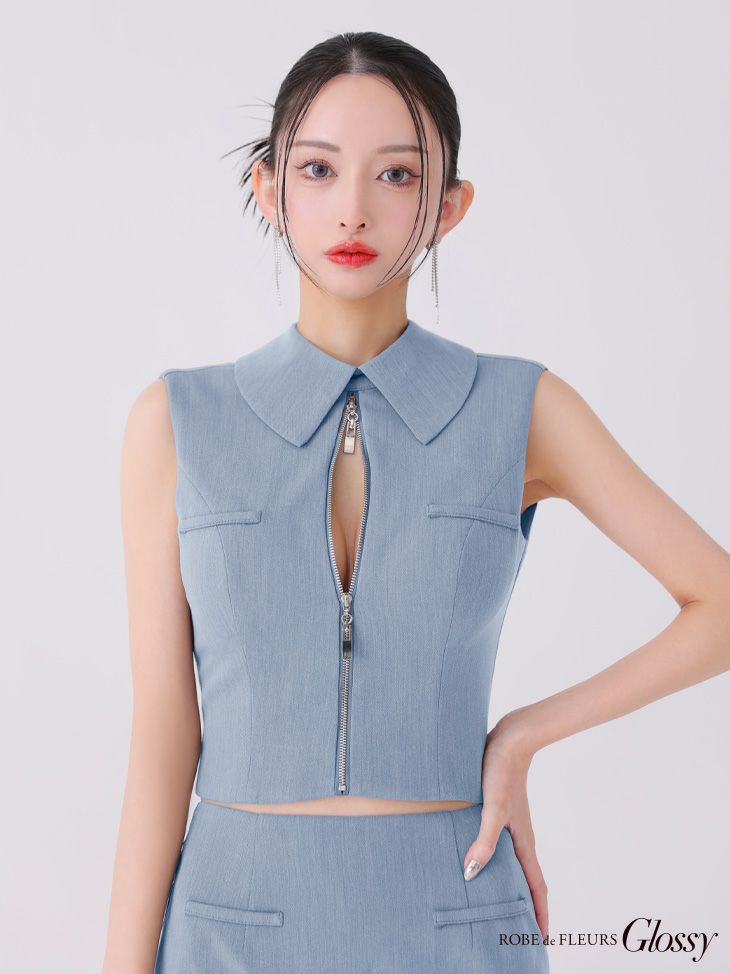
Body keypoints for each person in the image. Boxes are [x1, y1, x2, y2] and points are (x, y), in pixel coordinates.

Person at [102, 30, 730, 974]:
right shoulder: (178, 421)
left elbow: (719, 603)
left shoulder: (522, 408)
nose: (353, 208)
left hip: (458, 917)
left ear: (447, 207)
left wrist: (523, 735)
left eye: (396, 175)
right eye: (318, 169)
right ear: (270, 190)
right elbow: (163, 735)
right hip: (229, 927)